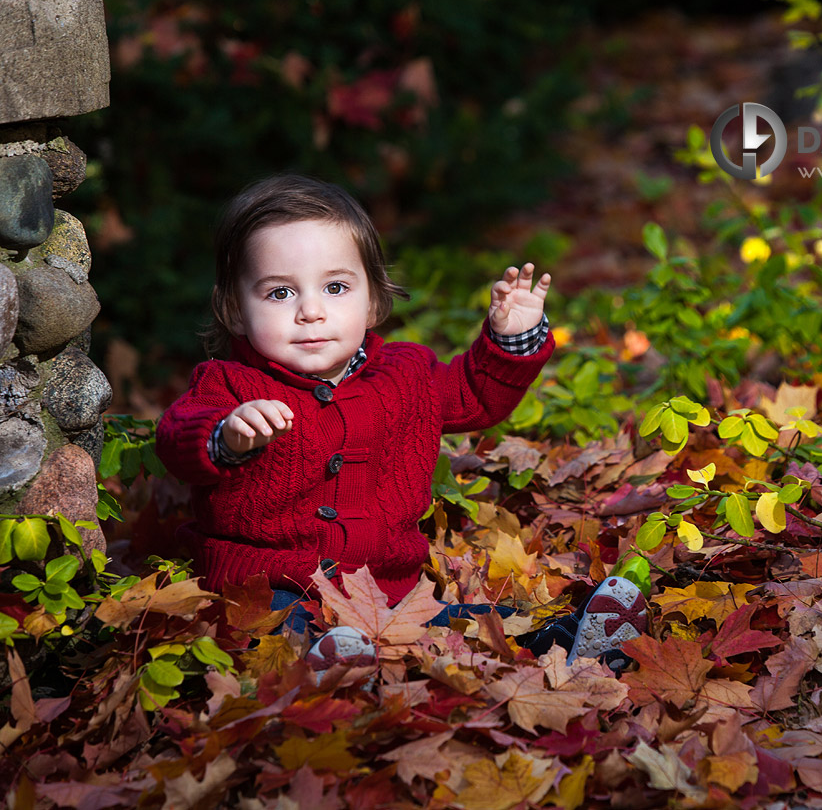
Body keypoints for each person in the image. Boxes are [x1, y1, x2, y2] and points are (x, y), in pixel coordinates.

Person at [155, 174, 647, 682]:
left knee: (459, 629)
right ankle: (337, 670)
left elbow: (475, 395)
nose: (311, 311)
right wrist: (227, 437)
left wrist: (511, 339)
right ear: (235, 310)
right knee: (278, 629)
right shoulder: (229, 386)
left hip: (387, 589)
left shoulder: (406, 374)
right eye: (280, 293)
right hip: (271, 585)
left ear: (372, 300)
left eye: (336, 287)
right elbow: (176, 437)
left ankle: (576, 641)